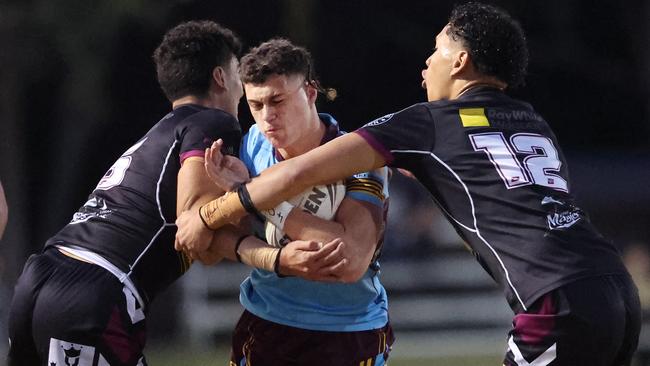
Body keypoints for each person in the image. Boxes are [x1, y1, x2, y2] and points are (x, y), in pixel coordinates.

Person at [177, 3, 642, 365]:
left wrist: (212, 213)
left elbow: (300, 173)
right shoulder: (530, 119)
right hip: (615, 289)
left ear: (460, 60)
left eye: (436, 50)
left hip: (556, 303)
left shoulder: (430, 122)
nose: (426, 62)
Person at [6, 21, 341, 366]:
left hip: (42, 276)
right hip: (96, 288)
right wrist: (274, 255)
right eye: (236, 73)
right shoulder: (213, 123)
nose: (242, 91)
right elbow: (193, 224)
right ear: (220, 77)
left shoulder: (159, 133)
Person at [184, 38, 394, 366]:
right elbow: (213, 238)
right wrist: (274, 257)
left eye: (277, 101)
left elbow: (351, 260)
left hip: (349, 330)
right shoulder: (251, 145)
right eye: (255, 106)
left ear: (310, 92)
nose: (267, 117)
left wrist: (252, 194)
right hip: (267, 322)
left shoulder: (357, 155)